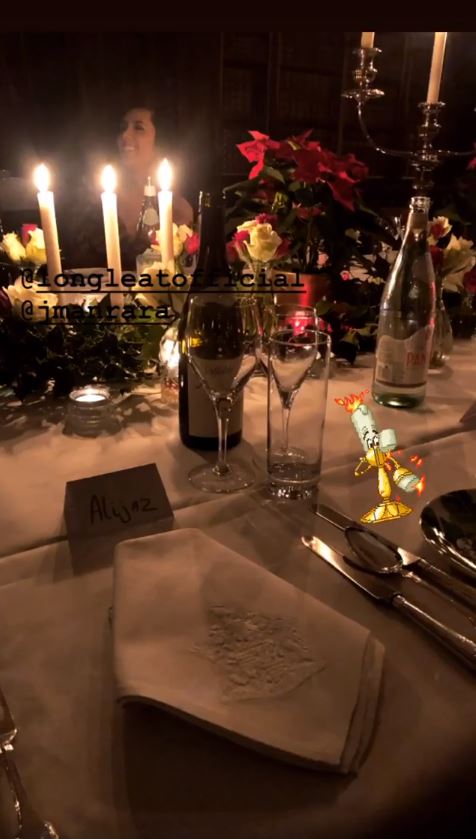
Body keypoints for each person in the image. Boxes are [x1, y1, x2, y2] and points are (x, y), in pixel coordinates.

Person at [58, 104, 193, 270]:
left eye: (138, 128)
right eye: (123, 128)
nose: (124, 135)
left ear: (160, 142)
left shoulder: (176, 208)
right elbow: (72, 258)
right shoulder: (95, 196)